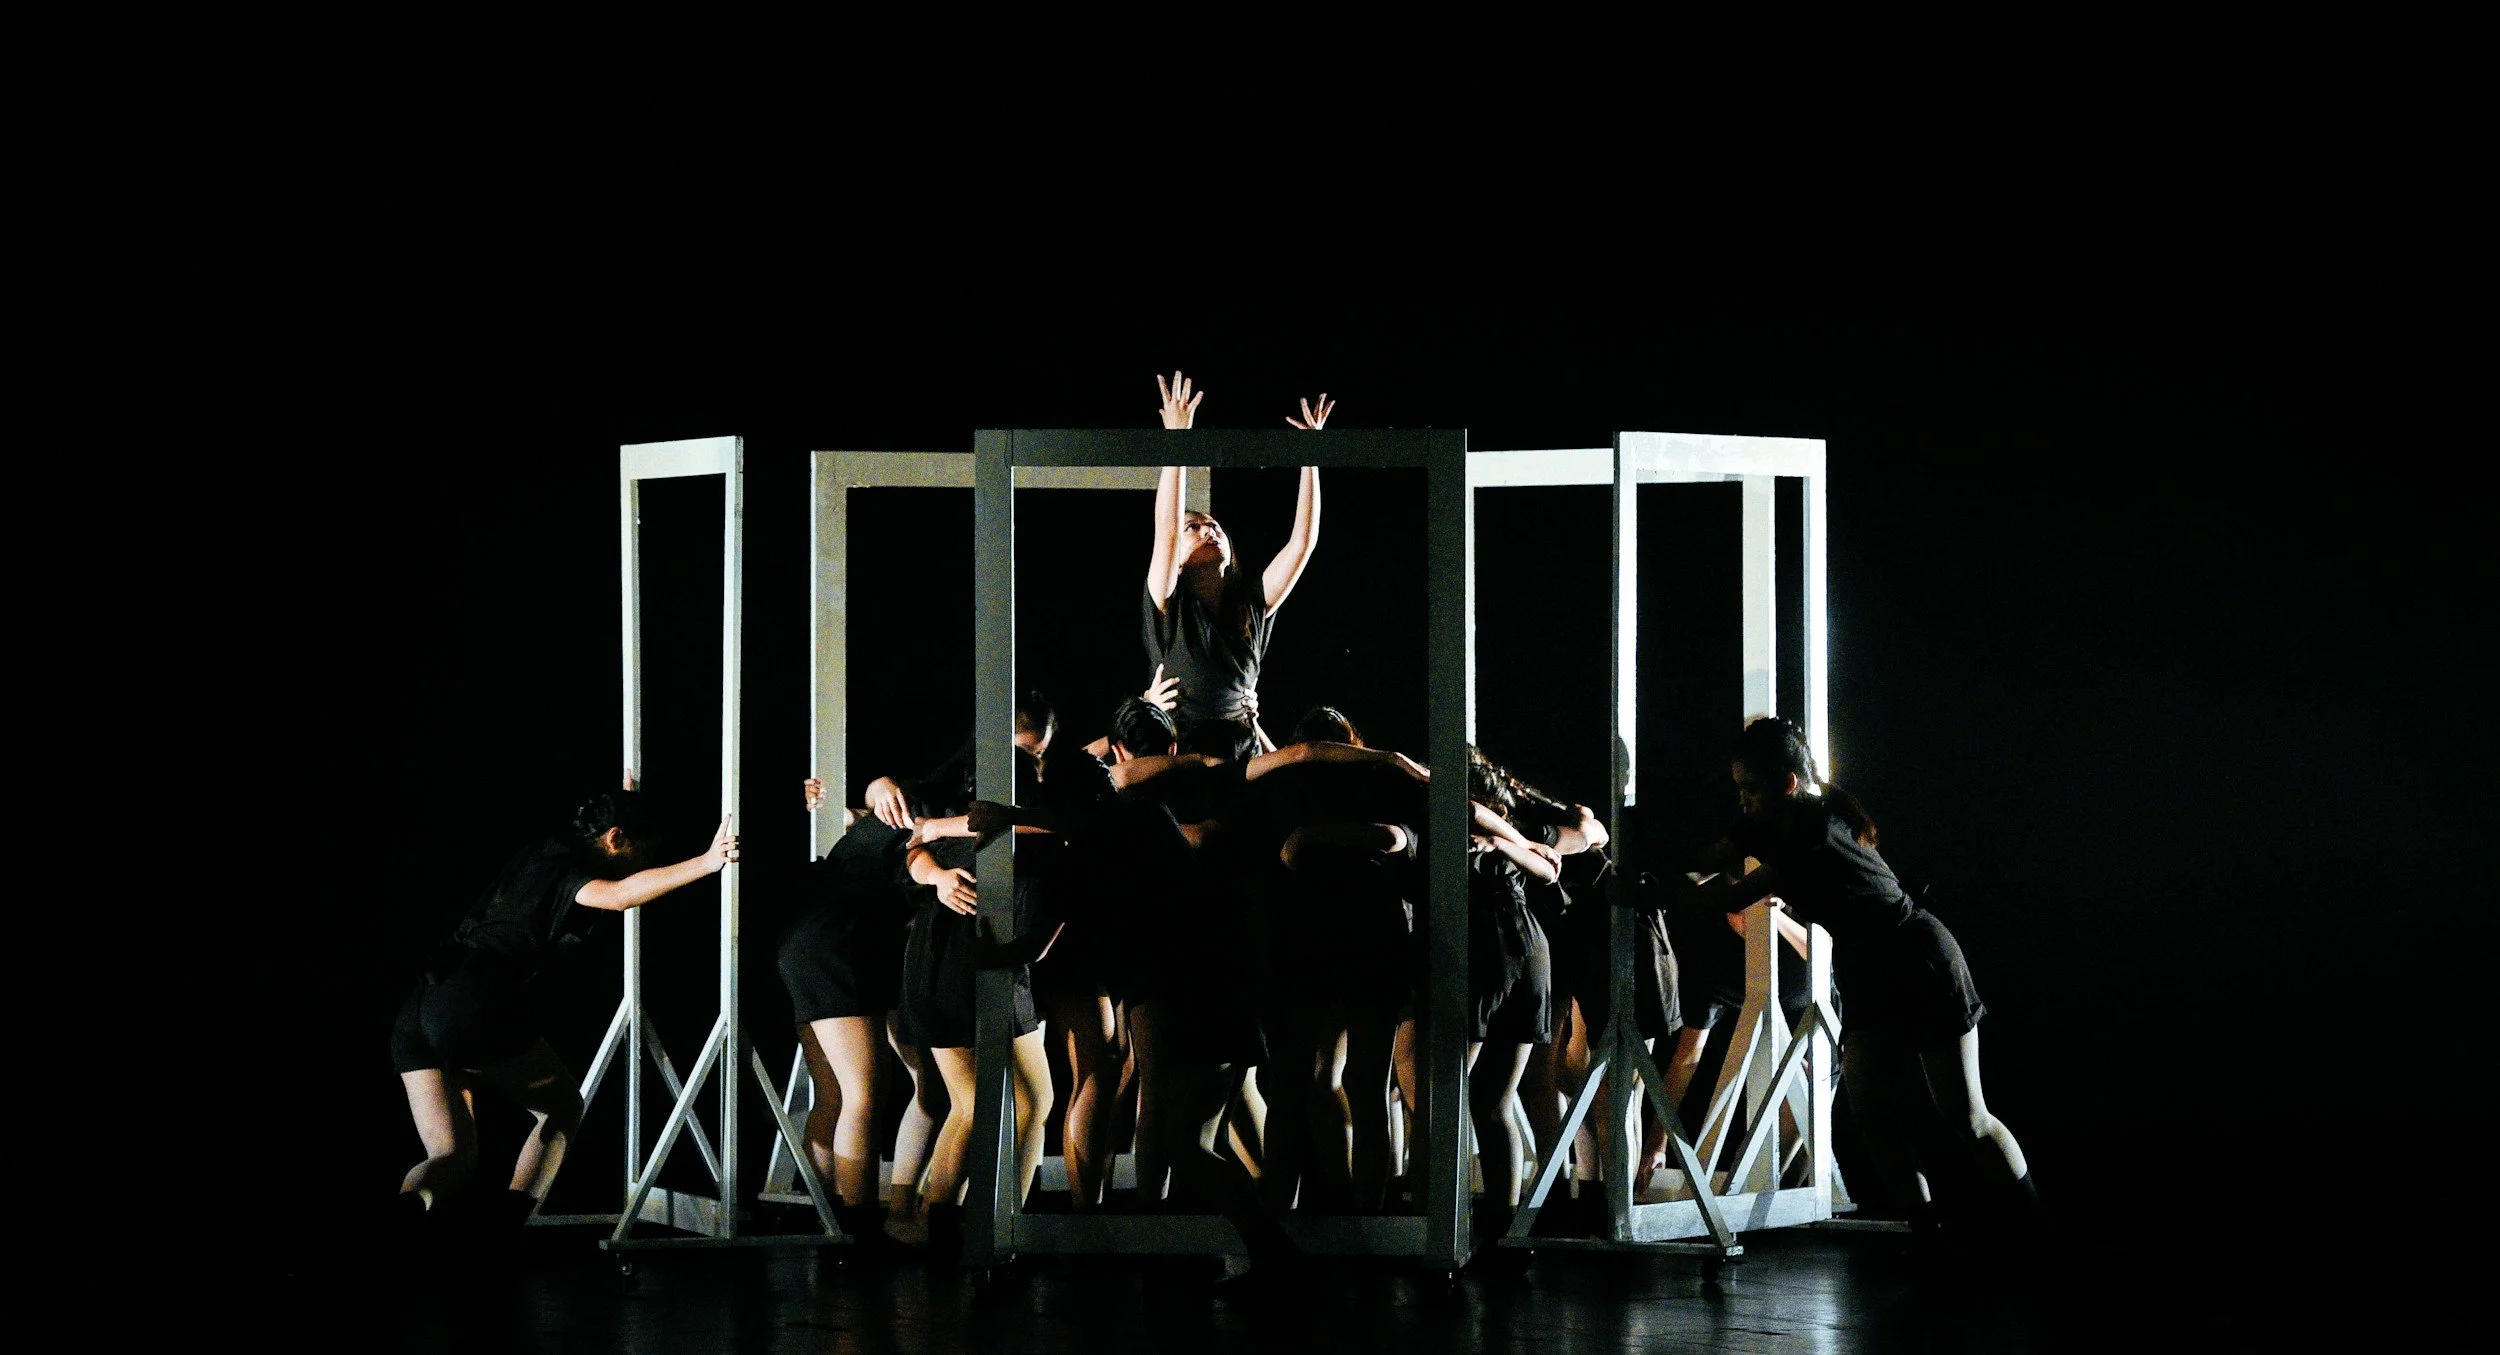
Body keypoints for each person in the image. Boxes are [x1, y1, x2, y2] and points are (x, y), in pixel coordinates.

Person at [1687, 716, 2039, 1249]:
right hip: (1869, 970)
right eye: (1739, 791)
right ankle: (1928, 1235)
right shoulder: (1792, 828)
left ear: (1786, 783)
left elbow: (1721, 877)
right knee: (1873, 1113)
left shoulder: (1811, 824)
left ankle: (2034, 1228)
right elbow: (1722, 883)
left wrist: (1659, 885)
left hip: (1915, 956)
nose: (1744, 802)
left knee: (1966, 1116)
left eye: (1751, 789)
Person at [389, 783, 737, 1230]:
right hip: (468, 1006)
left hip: (419, 1007)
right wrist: (708, 862)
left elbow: (610, 852)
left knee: (449, 1155)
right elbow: (618, 895)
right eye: (643, 852)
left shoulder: (544, 850)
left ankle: (396, 1224)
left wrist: (627, 793)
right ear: (614, 838)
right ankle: (507, 1226)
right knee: (562, 1108)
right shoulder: (569, 871)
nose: (644, 863)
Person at [1143, 371, 1325, 747]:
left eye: (1215, 526)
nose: (1209, 530)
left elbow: (1301, 544)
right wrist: (1177, 439)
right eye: (1194, 528)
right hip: (1187, 763)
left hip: (1242, 762)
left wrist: (1312, 457)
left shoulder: (1250, 609)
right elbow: (1166, 528)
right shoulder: (1170, 606)